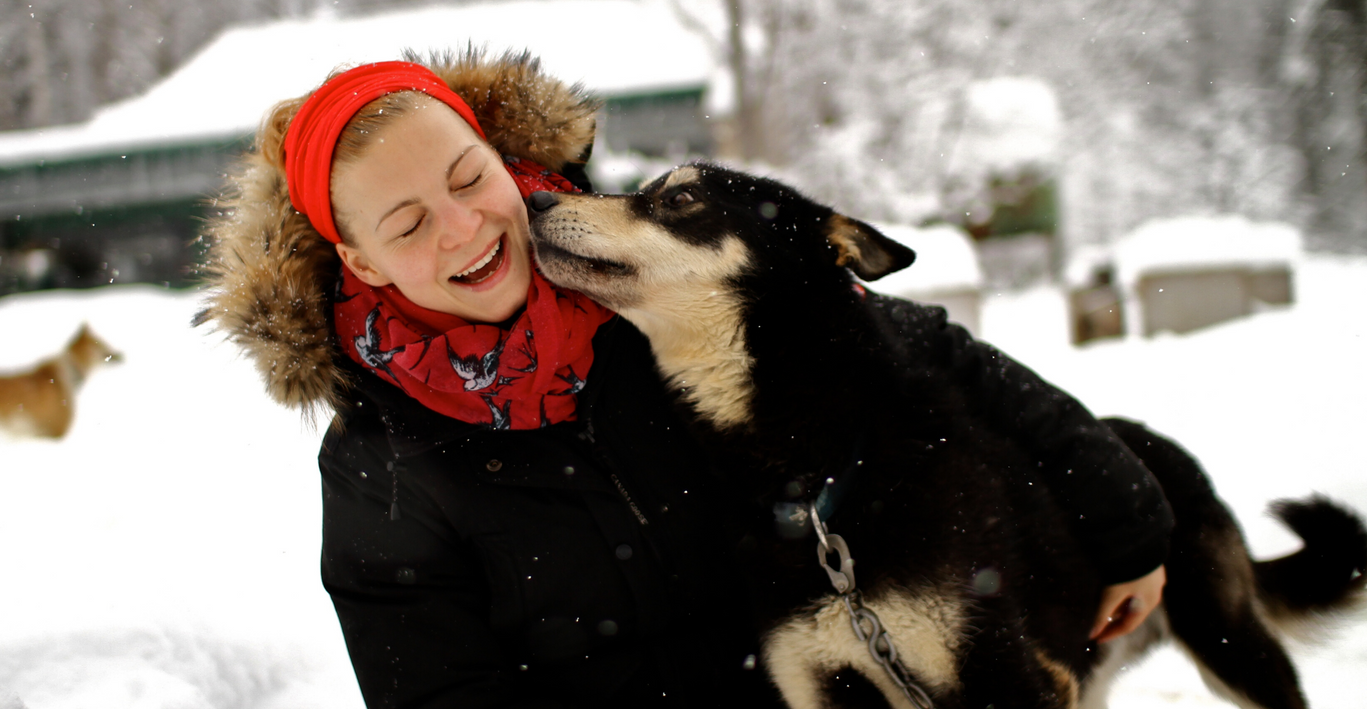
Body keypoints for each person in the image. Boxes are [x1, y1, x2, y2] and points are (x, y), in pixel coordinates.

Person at [195, 49, 1170, 707]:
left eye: (466, 178)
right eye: (406, 225)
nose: (462, 227)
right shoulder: (382, 464)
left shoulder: (658, 275)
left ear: (501, 154)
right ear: (360, 263)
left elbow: (940, 359)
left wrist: (1126, 517)